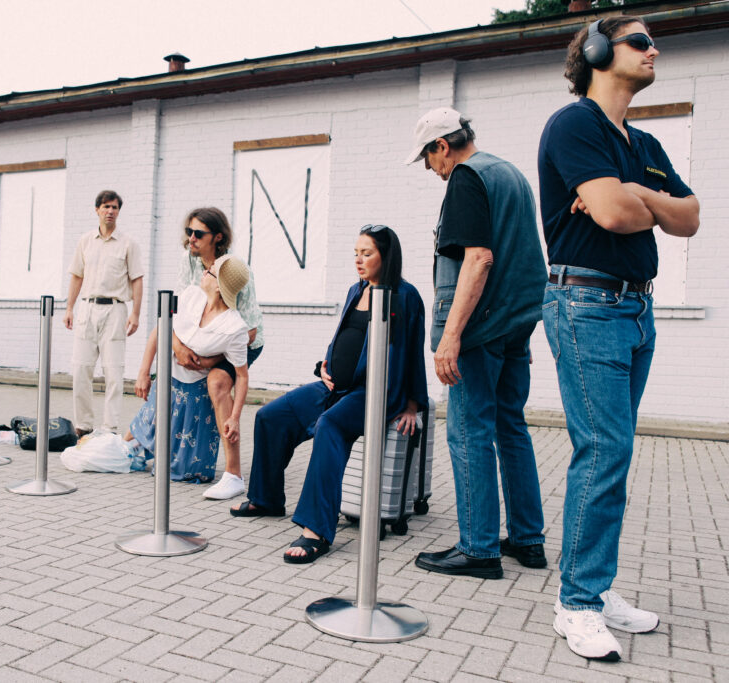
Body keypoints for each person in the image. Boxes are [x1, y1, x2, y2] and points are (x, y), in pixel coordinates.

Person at [539, 17, 699, 662]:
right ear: (599, 51)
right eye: (640, 40)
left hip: (635, 309)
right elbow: (610, 214)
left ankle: (596, 590)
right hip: (586, 303)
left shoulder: (646, 142)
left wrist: (637, 192)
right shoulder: (573, 125)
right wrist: (640, 201)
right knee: (603, 452)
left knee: (614, 455)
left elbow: (689, 218)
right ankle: (576, 604)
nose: (653, 48)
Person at [403, 108, 548, 581]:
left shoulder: (466, 178)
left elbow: (479, 259)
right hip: (514, 324)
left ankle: (479, 549)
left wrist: (451, 336)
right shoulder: (511, 174)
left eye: (428, 157)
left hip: (479, 329)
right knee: (511, 427)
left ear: (443, 146)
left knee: (468, 432)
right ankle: (527, 540)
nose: (430, 168)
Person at [230, 225, 427, 564]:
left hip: (373, 393)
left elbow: (413, 352)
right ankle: (266, 498)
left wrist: (412, 405)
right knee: (271, 416)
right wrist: (324, 364)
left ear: (386, 256)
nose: (358, 260)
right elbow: (346, 337)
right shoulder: (356, 289)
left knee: (329, 425)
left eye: (367, 253)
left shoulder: (405, 296)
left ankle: (317, 530)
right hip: (334, 386)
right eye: (356, 253)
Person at [135, 207, 264, 500]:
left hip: (240, 343)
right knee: (173, 367)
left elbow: (248, 332)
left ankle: (233, 475)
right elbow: (175, 312)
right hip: (204, 335)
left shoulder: (233, 270)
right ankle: (138, 439)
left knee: (217, 383)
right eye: (188, 232)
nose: (191, 238)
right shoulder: (189, 260)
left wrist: (207, 361)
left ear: (217, 237)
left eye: (198, 234)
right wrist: (178, 347)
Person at [126, 254, 250, 483]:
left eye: (210, 272)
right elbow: (161, 327)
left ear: (220, 287)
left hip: (195, 393)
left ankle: (232, 473)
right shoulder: (191, 295)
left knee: (186, 470)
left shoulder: (234, 328)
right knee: (130, 442)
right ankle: (137, 449)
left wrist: (234, 417)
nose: (204, 272)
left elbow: (242, 376)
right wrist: (143, 372)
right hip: (167, 381)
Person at [64, 190, 144, 436]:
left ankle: (109, 428)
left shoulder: (128, 244)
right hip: (87, 309)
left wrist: (135, 314)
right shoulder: (85, 241)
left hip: (115, 310)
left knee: (113, 372)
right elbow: (77, 276)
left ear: (119, 211)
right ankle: (83, 425)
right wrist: (69, 308)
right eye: (106, 206)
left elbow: (137, 279)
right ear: (97, 210)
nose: (110, 211)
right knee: (81, 369)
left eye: (114, 207)